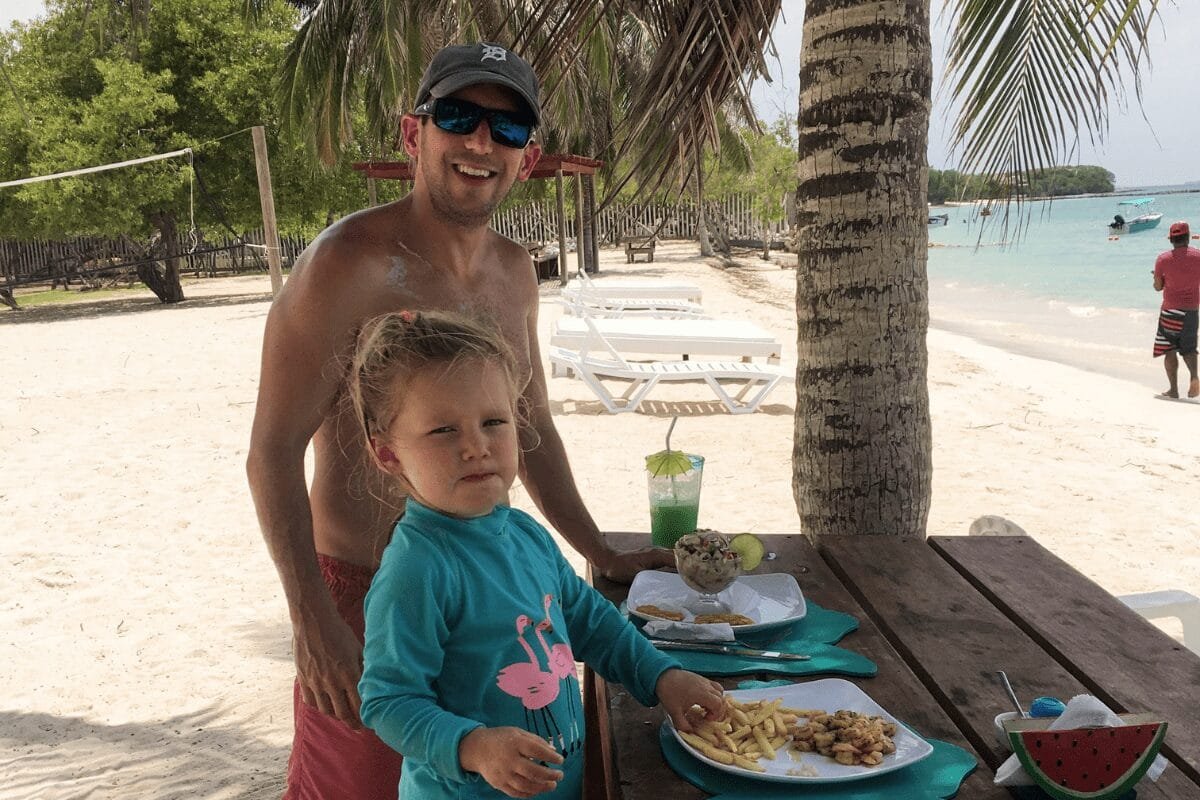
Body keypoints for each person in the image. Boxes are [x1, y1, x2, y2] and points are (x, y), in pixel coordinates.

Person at [245, 42, 672, 799]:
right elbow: (272, 453)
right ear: (415, 133)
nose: (480, 142)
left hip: (487, 590)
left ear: (527, 157)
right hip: (365, 595)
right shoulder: (345, 263)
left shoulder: (514, 271)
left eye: (506, 128)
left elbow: (531, 426)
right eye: (457, 116)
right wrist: (312, 621)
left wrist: (598, 549)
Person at [348, 309, 724, 799]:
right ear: (388, 453)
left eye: (493, 421)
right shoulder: (417, 570)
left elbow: (593, 623)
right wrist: (473, 746)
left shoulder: (526, 534)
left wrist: (660, 675)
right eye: (443, 430)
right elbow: (389, 702)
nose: (476, 446)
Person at [1152, 220, 1200, 399]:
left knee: (1169, 349)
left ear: (1171, 239)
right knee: (1190, 349)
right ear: (1188, 237)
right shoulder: (1198, 256)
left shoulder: (1163, 259)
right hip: (1191, 310)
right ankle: (1194, 377)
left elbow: (1158, 287)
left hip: (1170, 311)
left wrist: (1160, 280)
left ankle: (1173, 390)